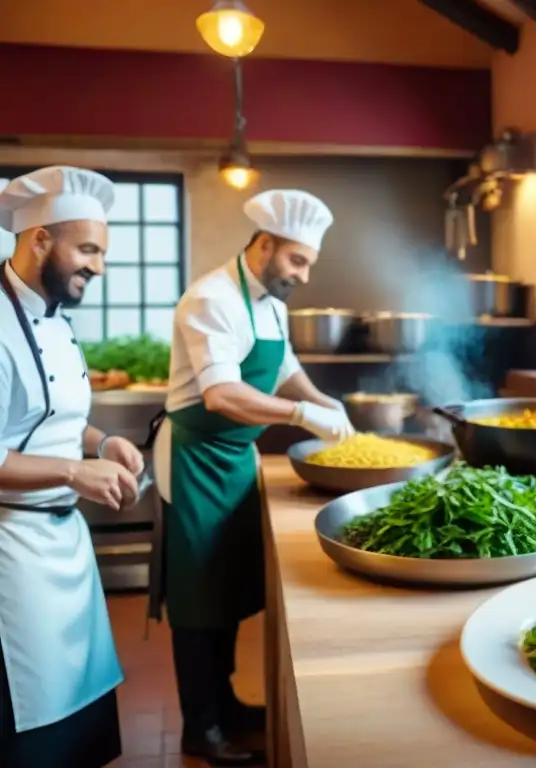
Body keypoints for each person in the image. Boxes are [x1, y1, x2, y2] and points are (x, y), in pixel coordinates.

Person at [151, 189, 355, 766]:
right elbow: (220, 394)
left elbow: (283, 366)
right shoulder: (210, 298)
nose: (304, 274)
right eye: (297, 260)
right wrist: (299, 415)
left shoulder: (272, 302)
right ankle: (201, 727)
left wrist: (322, 401)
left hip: (236, 460)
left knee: (228, 587)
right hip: (193, 463)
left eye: (308, 262)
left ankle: (229, 705)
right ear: (264, 245)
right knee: (196, 598)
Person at [0, 166, 145, 767]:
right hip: (12, 550)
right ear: (39, 239)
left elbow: (49, 415)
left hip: (65, 546)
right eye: (88, 249)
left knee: (81, 720)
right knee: (34, 729)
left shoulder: (58, 315)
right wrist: (70, 474)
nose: (99, 267)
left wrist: (101, 443)